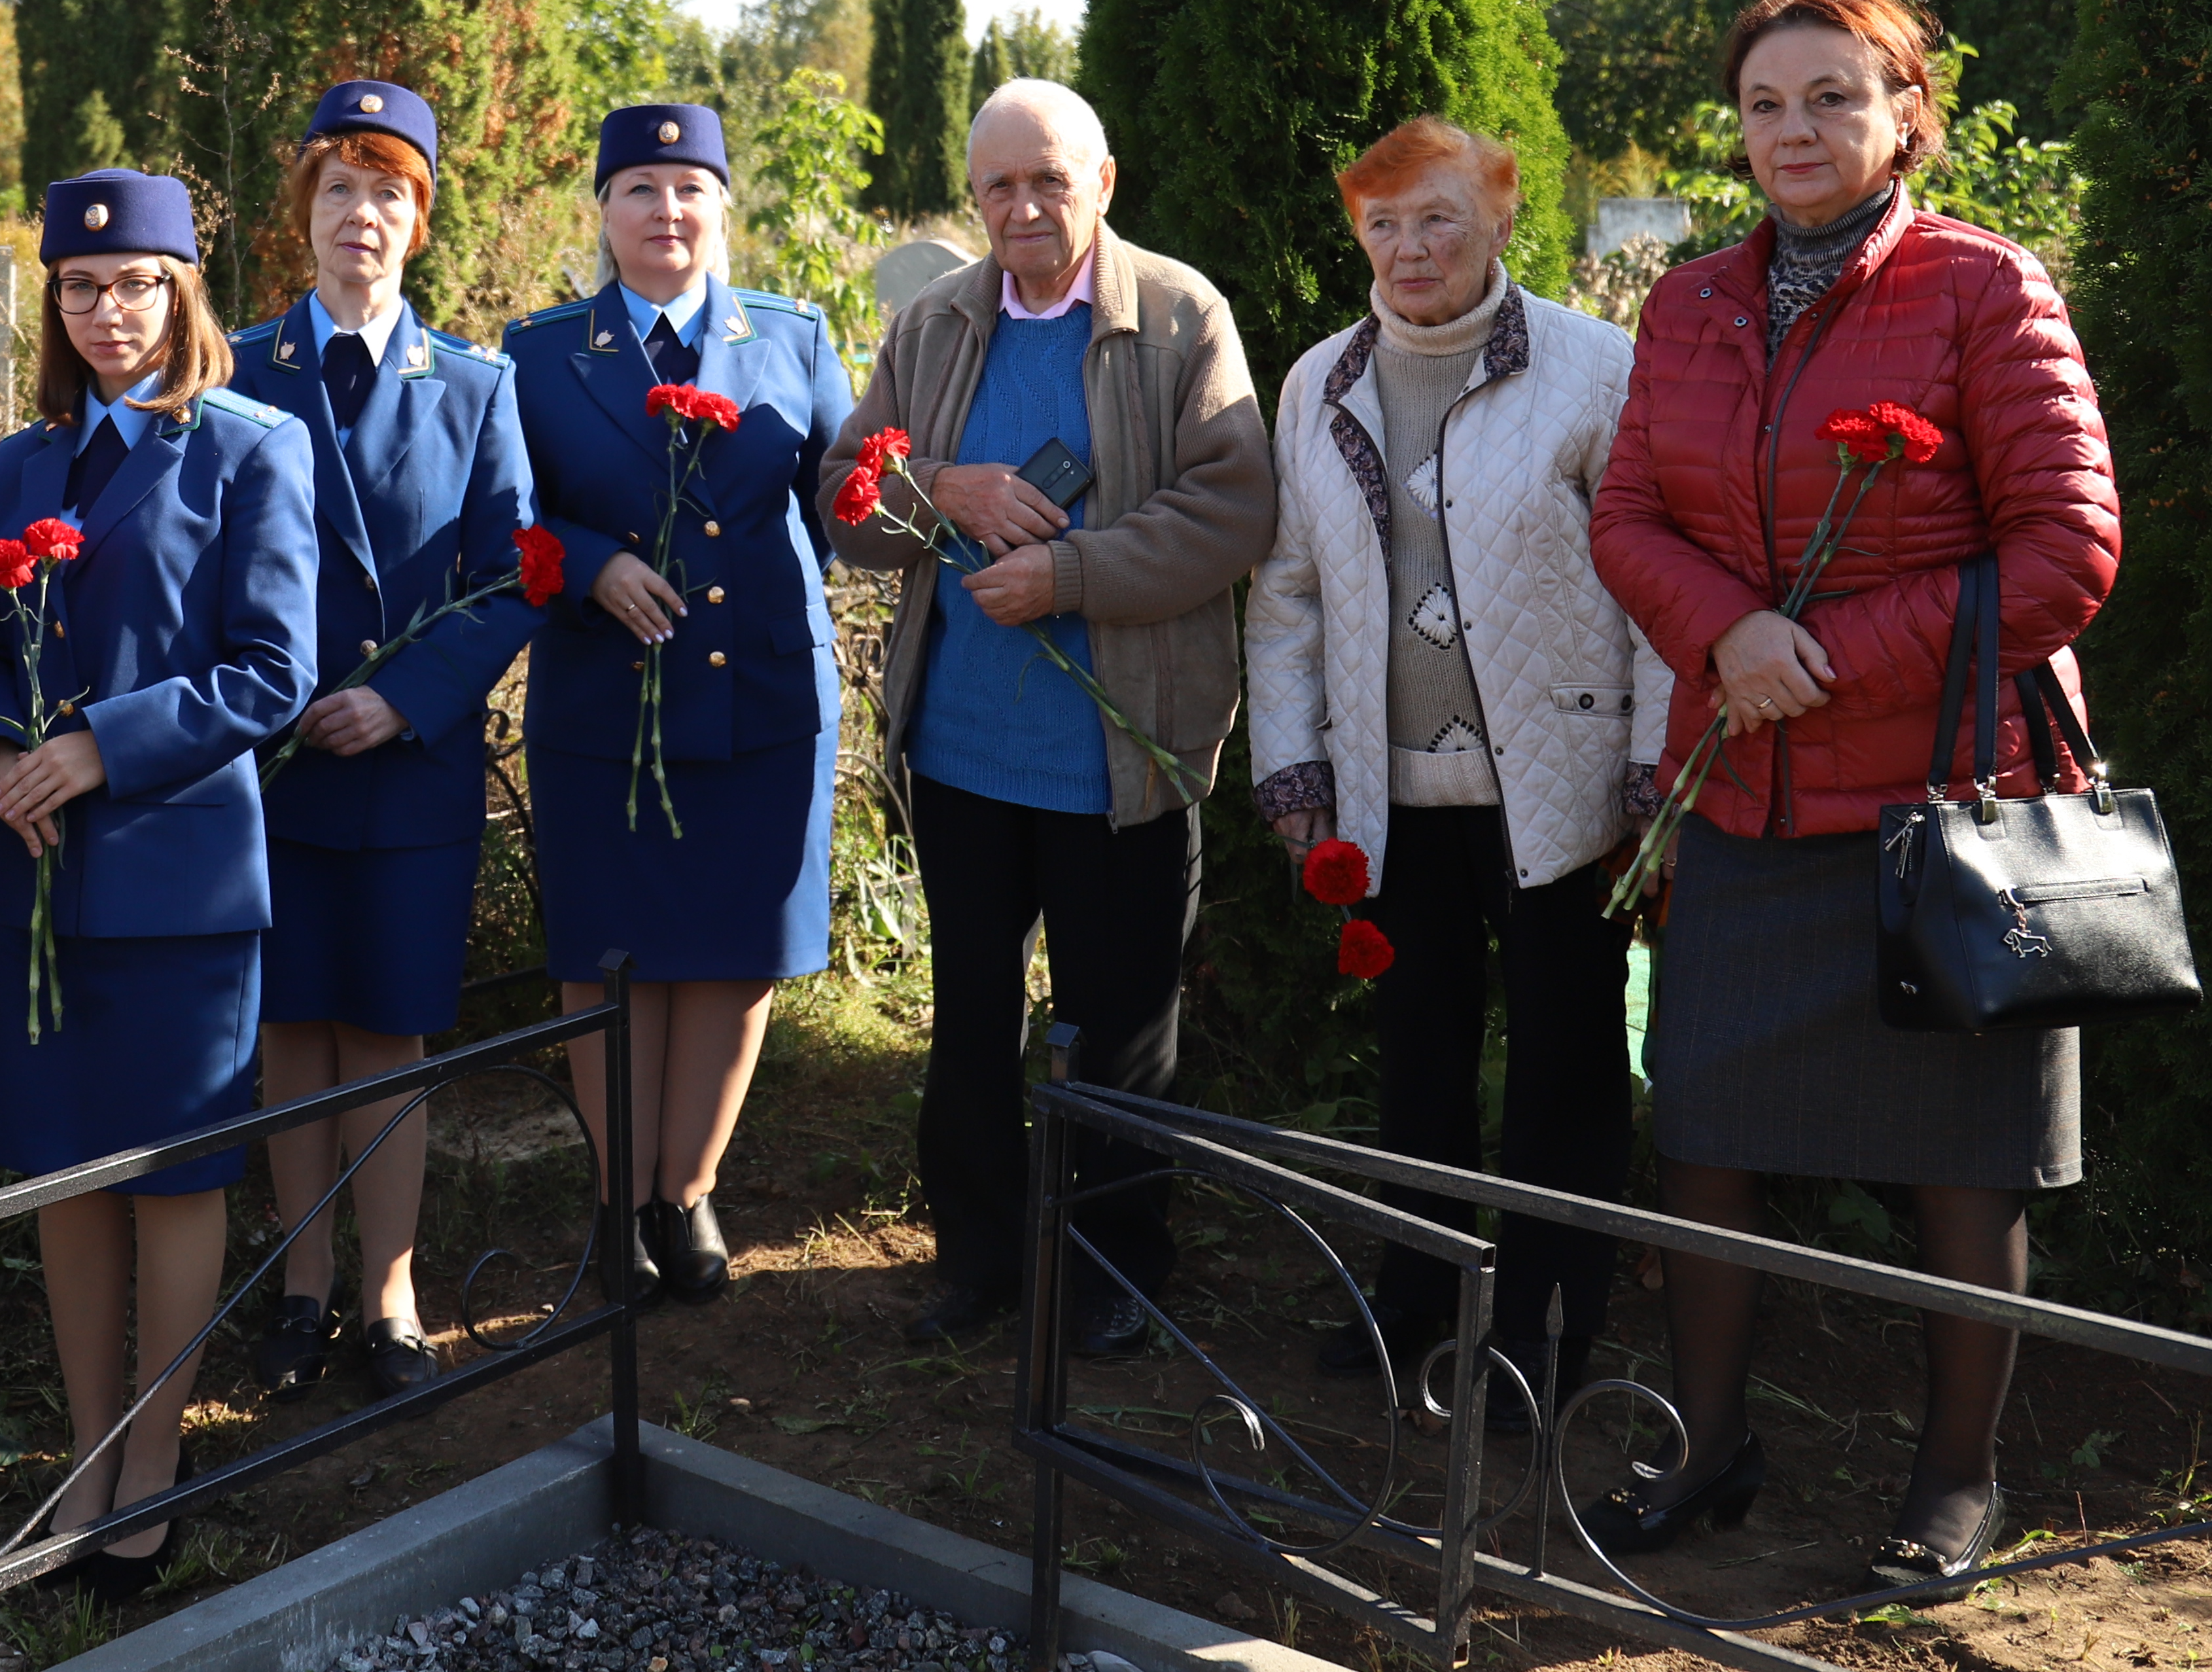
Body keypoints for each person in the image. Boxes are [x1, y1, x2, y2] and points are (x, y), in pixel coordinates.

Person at [1589, 0, 2120, 1597]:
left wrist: (1816, 654)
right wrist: (1728, 634)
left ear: (1904, 112)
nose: (1797, 129)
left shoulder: (1983, 288)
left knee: (1965, 1161)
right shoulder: (1684, 305)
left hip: (1946, 814)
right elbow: (1626, 518)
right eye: (1766, 102)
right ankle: (1707, 1445)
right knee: (1709, 1139)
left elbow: (2067, 553)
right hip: (1745, 800)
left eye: (1833, 96)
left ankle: (1959, 1479)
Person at [824, 79, 1278, 1359]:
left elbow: (1230, 512)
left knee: (1122, 1024)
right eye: (998, 187)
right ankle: (974, 1254)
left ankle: (1115, 1266)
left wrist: (1069, 575)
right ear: (973, 199)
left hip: (1117, 759)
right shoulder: (936, 324)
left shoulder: (1180, 315)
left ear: (1105, 183)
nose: (1023, 207)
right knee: (971, 1015)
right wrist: (941, 490)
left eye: (1049, 181)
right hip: (964, 752)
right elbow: (848, 502)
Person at [1242, 115, 1668, 1425]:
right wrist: (1293, 763)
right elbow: (1289, 590)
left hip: (1560, 791)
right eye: (1385, 222)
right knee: (1416, 1052)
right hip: (1389, 797)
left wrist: (1654, 772)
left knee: (1564, 1062)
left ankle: (1547, 1325)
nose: (1412, 246)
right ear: (1356, 232)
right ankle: (1416, 1289)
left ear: (1498, 218)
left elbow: (1657, 585)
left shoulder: (1597, 367)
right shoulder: (1320, 380)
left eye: (1439, 218)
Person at [0, 169, 314, 1601]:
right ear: (56, 299)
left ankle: (153, 1474)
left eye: (141, 284)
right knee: (64, 1165)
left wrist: (96, 749)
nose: (111, 312)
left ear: (185, 289)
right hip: (36, 872)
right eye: (84, 288)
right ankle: (87, 1453)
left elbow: (274, 671)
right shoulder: (27, 463)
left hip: (178, 881)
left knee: (170, 1178)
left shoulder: (252, 446)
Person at [506, 104, 851, 1307]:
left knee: (735, 954)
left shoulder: (795, 340)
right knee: (615, 961)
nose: (667, 213)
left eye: (690, 189)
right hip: (608, 705)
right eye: (642, 189)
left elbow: (846, 502)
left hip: (761, 701)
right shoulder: (542, 353)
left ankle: (687, 1190)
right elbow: (501, 514)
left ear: (722, 208)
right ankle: (616, 1205)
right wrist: (589, 558)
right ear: (603, 212)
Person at [226, 81, 539, 1404]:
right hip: (278, 760)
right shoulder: (235, 369)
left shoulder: (475, 384)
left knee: (392, 1033)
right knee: (293, 1029)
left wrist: (404, 697)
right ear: (305, 215)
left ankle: (392, 1295)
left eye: (391, 192)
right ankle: (301, 1284)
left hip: (409, 767)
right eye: (341, 189)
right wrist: (273, 692)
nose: (365, 214)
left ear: (421, 220)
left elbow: (518, 570)